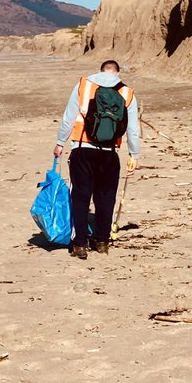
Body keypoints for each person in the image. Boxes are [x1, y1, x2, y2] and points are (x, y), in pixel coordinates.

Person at [54, 60, 140, 259]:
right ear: (117, 73)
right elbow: (133, 130)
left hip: (83, 148)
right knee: (106, 197)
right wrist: (134, 155)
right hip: (110, 153)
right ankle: (102, 241)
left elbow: (68, 117)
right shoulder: (127, 93)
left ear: (100, 71)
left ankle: (80, 243)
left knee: (81, 196)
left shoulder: (83, 85)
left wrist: (60, 142)